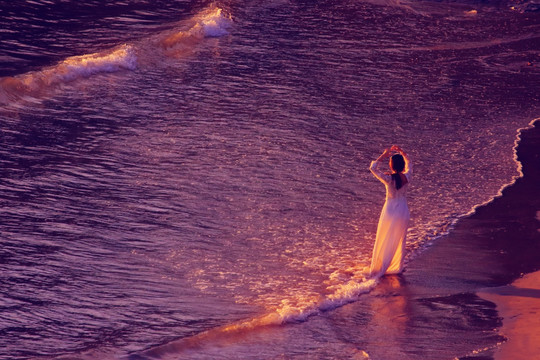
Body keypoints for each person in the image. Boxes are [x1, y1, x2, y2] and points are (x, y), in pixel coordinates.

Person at [369, 145, 412, 277]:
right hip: (403, 210)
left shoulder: (389, 179)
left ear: (392, 165)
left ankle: (381, 266)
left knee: (384, 236)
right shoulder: (407, 176)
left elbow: (372, 168)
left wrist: (383, 155)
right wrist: (401, 152)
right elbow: (410, 163)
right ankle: (396, 266)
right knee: (399, 238)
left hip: (390, 209)